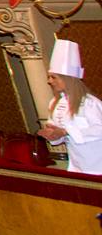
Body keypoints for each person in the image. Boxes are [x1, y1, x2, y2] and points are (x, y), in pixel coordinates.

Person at [42, 37, 101, 175]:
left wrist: (65, 131)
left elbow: (99, 129)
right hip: (77, 164)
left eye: (54, 77)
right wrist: (53, 134)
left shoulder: (90, 103)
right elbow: (62, 134)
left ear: (67, 78)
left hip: (98, 164)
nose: (49, 81)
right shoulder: (55, 103)